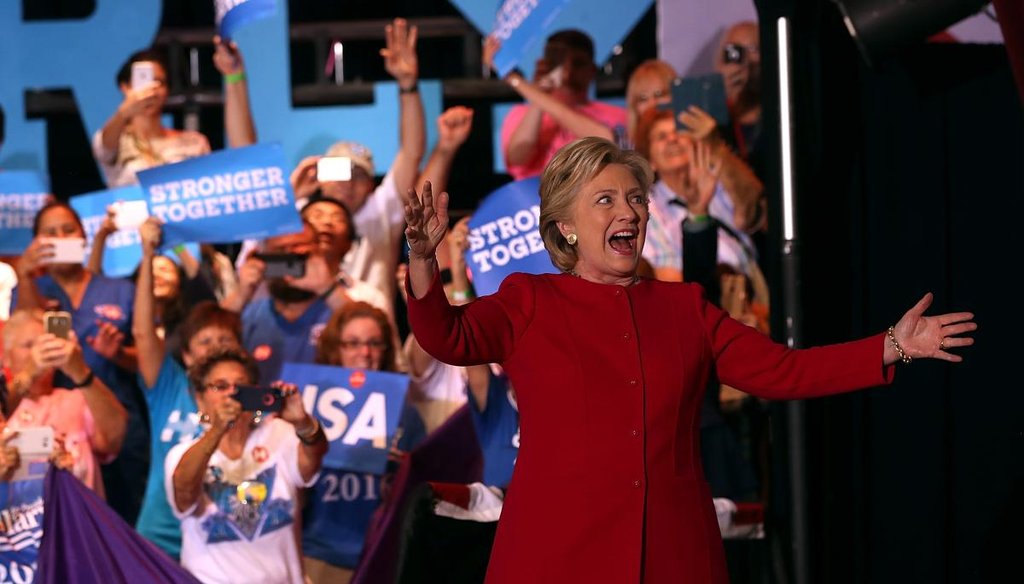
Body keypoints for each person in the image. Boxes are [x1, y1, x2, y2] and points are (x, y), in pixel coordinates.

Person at [400, 137, 976, 583]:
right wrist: (424, 261)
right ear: (565, 228)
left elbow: (784, 372)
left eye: (635, 199)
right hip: (555, 554)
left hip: (675, 556)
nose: (628, 212)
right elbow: (447, 337)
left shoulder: (684, 308)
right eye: (605, 200)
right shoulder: (529, 300)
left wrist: (890, 346)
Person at [13, 201, 148, 523]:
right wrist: (26, 274)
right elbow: (24, 333)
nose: (60, 238)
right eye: (50, 233)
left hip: (117, 422)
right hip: (61, 433)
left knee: (127, 523)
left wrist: (117, 354)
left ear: (83, 236)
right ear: (36, 243)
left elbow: (146, 361)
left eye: (68, 230)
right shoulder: (34, 288)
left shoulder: (118, 289)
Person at [290, 18, 425, 303]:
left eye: (359, 176)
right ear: (320, 176)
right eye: (338, 171)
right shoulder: (299, 215)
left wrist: (408, 85)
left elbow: (412, 151)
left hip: (371, 335)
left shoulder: (380, 212)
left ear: (370, 186)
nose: (347, 183)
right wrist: (290, 195)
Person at [133, 217, 245, 559]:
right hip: (160, 538)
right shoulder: (167, 383)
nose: (213, 347)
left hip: (219, 541)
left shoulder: (247, 395)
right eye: (204, 340)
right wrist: (148, 253)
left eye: (224, 339)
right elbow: (141, 332)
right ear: (185, 352)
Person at [167, 348, 327, 584]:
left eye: (241, 386)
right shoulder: (181, 454)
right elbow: (184, 496)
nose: (232, 394)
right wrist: (217, 431)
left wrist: (303, 422)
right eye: (220, 386)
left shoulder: (279, 434)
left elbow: (313, 461)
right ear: (200, 400)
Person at [302, 301, 425, 584]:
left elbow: (422, 485)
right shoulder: (309, 405)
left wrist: (401, 471)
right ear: (335, 348)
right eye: (353, 343)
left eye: (374, 343)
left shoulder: (405, 411)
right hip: (321, 554)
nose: (365, 353)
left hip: (383, 552)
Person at [92, 38, 256, 187]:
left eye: (160, 82)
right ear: (125, 87)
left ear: (167, 90)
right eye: (145, 81)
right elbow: (104, 146)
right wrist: (125, 111)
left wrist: (234, 74)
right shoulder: (116, 141)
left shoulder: (193, 142)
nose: (152, 89)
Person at [0, 310, 127, 492]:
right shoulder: (5, 410)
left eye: (46, 342)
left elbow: (115, 438)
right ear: (5, 358)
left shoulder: (77, 399)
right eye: (28, 345)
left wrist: (80, 371)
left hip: (77, 515)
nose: (39, 351)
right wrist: (28, 374)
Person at [485, 30, 627, 180]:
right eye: (559, 63)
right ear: (544, 64)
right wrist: (539, 95)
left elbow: (609, 144)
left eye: (578, 64)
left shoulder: (619, 115)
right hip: (537, 200)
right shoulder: (521, 113)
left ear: (592, 70)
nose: (568, 72)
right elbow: (518, 158)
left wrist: (514, 80)